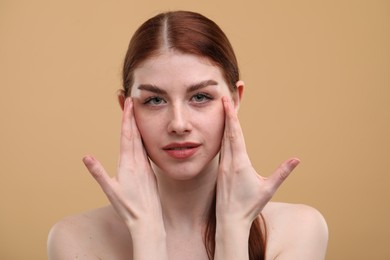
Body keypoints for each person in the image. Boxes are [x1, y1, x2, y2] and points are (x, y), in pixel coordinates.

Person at [47, 10, 328, 260]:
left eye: (201, 96)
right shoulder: (75, 239)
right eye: (155, 101)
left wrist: (234, 227)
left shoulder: (299, 230)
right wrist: (147, 233)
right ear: (127, 109)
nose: (179, 124)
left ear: (235, 99)